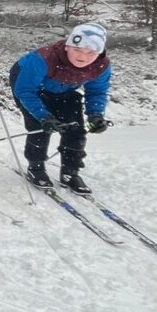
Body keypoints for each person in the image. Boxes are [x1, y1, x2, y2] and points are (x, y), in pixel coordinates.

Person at [9, 22, 112, 194]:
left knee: (76, 129)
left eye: (91, 53)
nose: (83, 57)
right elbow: (25, 90)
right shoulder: (42, 59)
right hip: (31, 88)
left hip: (65, 89)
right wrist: (43, 116)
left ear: (99, 53)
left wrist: (95, 115)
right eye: (77, 50)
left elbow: (97, 91)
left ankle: (70, 172)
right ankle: (36, 167)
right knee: (40, 128)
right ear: (67, 46)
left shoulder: (100, 66)